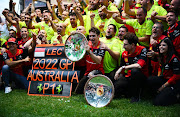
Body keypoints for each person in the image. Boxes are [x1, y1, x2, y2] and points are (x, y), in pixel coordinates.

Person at [114, 32, 148, 103]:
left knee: (135, 71)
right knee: (117, 87)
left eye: (125, 45)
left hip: (142, 78)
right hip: (129, 77)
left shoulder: (142, 50)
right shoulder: (124, 53)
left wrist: (123, 67)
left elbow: (139, 65)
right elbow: (122, 71)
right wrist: (119, 77)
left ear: (132, 45)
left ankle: (136, 96)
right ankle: (128, 93)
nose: (123, 46)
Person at [147, 38, 180, 106]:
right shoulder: (162, 57)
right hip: (164, 79)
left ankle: (176, 96)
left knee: (157, 103)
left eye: (164, 45)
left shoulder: (174, 58)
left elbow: (176, 76)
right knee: (150, 80)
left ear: (169, 47)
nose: (161, 47)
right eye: (160, 45)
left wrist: (163, 86)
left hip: (174, 83)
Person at [75, 27, 105, 94]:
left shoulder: (101, 46)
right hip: (87, 71)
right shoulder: (87, 44)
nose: (91, 38)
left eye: (93, 36)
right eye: (90, 36)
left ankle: (98, 88)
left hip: (98, 71)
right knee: (78, 92)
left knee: (92, 91)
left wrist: (90, 52)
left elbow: (98, 61)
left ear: (98, 36)